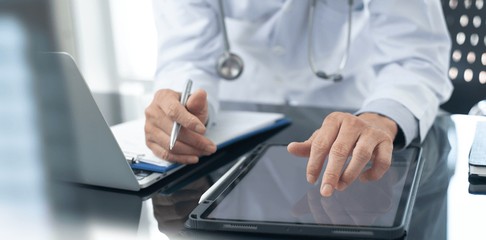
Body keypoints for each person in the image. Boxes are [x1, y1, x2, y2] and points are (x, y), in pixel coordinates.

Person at [144, 0, 452, 197]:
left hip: (352, 127)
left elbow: (416, 57)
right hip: (233, 142)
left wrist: (380, 117)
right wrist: (182, 109)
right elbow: (187, 57)